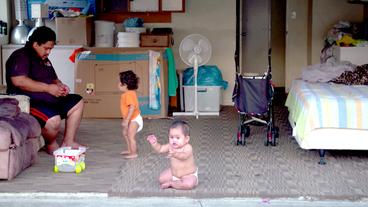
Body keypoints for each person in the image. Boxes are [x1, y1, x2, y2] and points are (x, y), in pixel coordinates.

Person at [5, 26, 85, 154]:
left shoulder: (44, 59)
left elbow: (54, 79)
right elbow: (19, 81)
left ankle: (68, 141)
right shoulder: (21, 56)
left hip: (49, 99)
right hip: (30, 101)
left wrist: (61, 86)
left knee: (77, 102)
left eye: (50, 49)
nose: (48, 52)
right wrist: (48, 88)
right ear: (35, 44)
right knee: (54, 121)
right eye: (46, 48)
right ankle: (50, 143)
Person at [147, 120, 198, 190]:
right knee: (161, 179)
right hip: (174, 173)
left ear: (186, 139)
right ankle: (177, 181)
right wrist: (154, 143)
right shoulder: (170, 146)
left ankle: (171, 183)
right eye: (171, 137)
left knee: (188, 184)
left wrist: (175, 154)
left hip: (188, 175)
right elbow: (160, 149)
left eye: (177, 138)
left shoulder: (188, 147)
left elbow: (184, 156)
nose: (174, 140)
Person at [118, 70, 143, 159]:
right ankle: (129, 149)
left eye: (119, 82)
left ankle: (134, 153)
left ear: (124, 84)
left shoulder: (129, 94)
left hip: (134, 119)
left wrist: (127, 120)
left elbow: (132, 107)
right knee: (125, 133)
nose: (118, 84)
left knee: (130, 135)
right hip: (131, 118)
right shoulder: (128, 94)